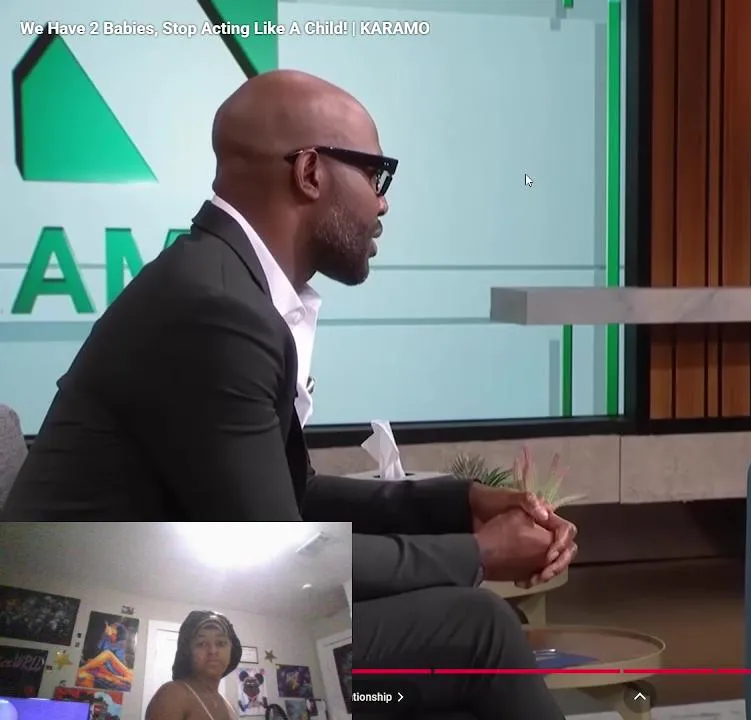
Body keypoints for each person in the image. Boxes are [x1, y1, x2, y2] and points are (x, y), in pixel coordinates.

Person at [2, 70, 575, 718]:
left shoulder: (225, 284)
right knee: (478, 629)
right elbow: (279, 532)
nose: (383, 204)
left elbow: (294, 493)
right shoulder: (215, 308)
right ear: (309, 172)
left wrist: (459, 505)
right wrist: (482, 552)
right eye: (376, 175)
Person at [145, 611, 243, 720]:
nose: (213, 651)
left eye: (220, 643)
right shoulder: (173, 696)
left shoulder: (229, 705)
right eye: (201, 644)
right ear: (188, 651)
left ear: (232, 650)